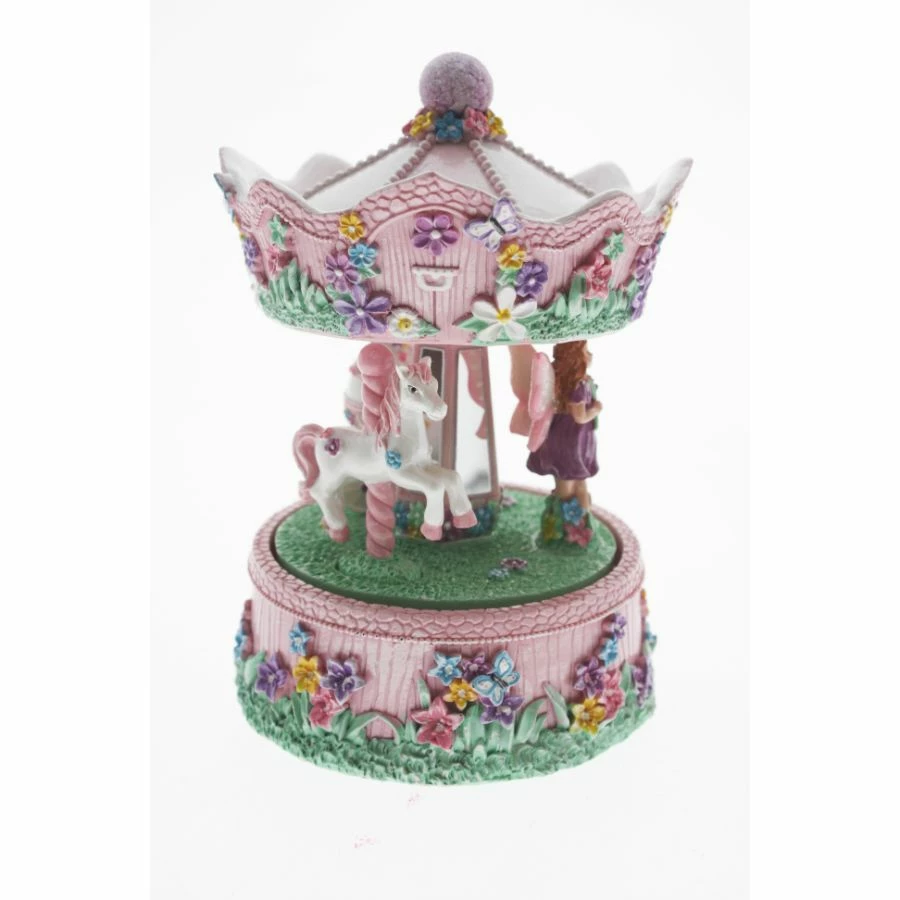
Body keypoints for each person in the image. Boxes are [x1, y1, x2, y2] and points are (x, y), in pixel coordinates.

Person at [526, 340, 601, 514]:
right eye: (586, 352)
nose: (590, 355)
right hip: (570, 439)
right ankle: (568, 519)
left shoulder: (573, 381)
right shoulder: (576, 385)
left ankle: (580, 519)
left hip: (571, 436)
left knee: (576, 480)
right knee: (568, 482)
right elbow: (580, 417)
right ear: (576, 358)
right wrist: (596, 409)